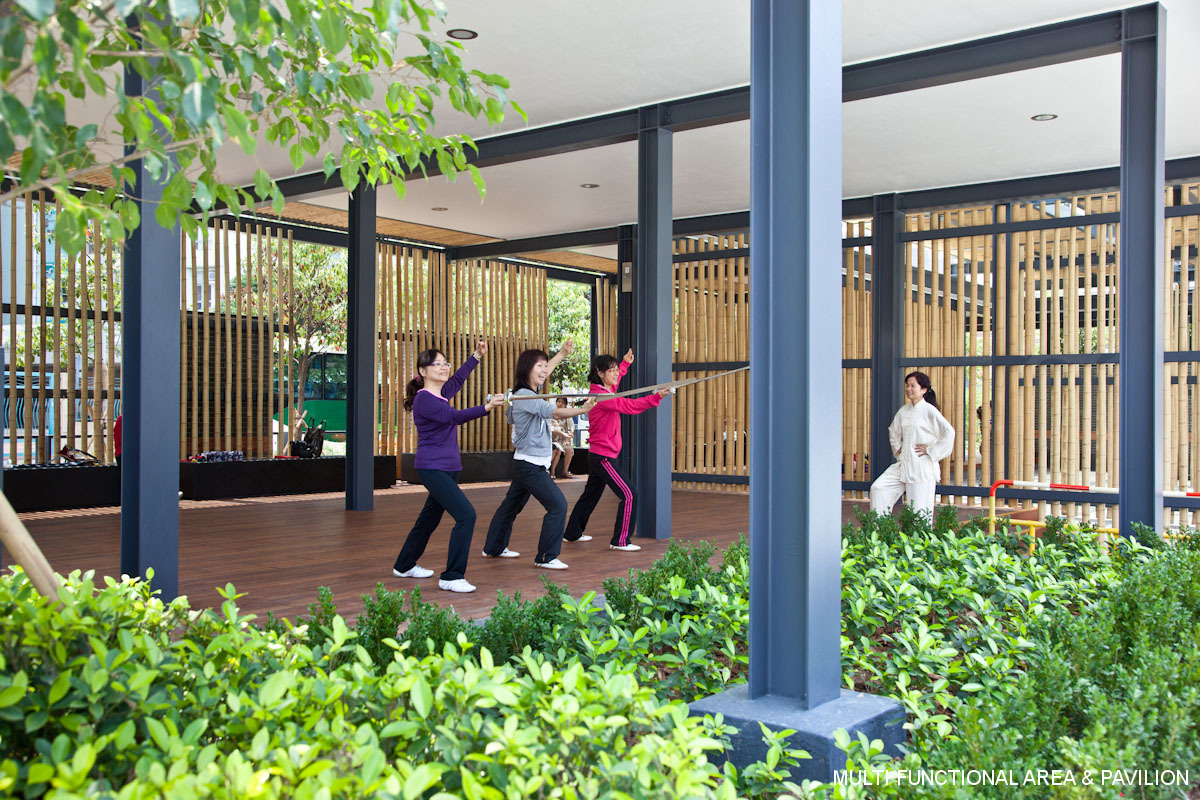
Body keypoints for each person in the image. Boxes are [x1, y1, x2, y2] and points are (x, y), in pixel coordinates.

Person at [392, 341, 504, 593]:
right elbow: (452, 417)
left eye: (445, 363)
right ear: (422, 371)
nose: (444, 367)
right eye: (437, 364)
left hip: (448, 468)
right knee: (466, 515)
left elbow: (459, 378)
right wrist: (486, 408)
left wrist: (476, 356)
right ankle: (452, 576)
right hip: (432, 468)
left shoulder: (440, 395)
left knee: (428, 519)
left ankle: (404, 564)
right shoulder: (424, 401)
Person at [482, 343, 595, 569]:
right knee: (558, 506)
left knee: (510, 507)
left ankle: (493, 547)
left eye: (546, 366)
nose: (545, 370)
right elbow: (552, 411)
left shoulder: (527, 393)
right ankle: (546, 557)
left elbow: (545, 372)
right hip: (529, 465)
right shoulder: (525, 396)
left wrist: (562, 354)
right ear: (527, 370)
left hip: (527, 462)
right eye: (539, 366)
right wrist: (583, 410)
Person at [564, 349, 670, 551]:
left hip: (598, 454)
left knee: (590, 496)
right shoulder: (601, 397)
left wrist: (624, 365)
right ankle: (620, 541)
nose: (615, 373)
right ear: (600, 373)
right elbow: (629, 405)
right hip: (603, 457)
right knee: (630, 495)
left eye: (615, 371)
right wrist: (656, 397)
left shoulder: (602, 392)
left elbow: (614, 388)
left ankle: (572, 533)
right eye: (610, 371)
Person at [869, 371, 955, 521]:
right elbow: (893, 431)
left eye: (913, 385)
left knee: (919, 510)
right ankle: (880, 530)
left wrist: (931, 450)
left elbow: (949, 432)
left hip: (921, 467)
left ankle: (919, 542)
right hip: (904, 464)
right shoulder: (904, 410)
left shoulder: (929, 410)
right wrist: (899, 449)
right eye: (907, 385)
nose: (909, 389)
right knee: (878, 488)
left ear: (923, 390)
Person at [549, 397, 576, 479]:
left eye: (562, 402)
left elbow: (572, 427)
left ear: (565, 405)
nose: (559, 404)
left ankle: (565, 471)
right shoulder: (552, 414)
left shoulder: (567, 415)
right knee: (558, 448)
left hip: (564, 439)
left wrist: (571, 433)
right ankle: (552, 471)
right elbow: (551, 429)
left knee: (569, 449)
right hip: (554, 439)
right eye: (558, 402)